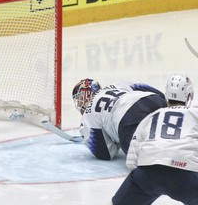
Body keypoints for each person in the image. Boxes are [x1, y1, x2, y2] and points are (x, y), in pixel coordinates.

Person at [112, 74, 198, 205]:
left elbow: (131, 161)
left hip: (148, 172)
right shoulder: (194, 114)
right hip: (184, 174)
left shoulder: (150, 117)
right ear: (188, 96)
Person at [72, 78, 168, 160]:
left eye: (79, 99)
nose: (79, 104)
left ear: (86, 96)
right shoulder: (118, 84)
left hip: (128, 118)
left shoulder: (88, 115)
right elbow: (158, 93)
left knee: (147, 159)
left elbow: (105, 153)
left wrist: (116, 138)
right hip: (152, 100)